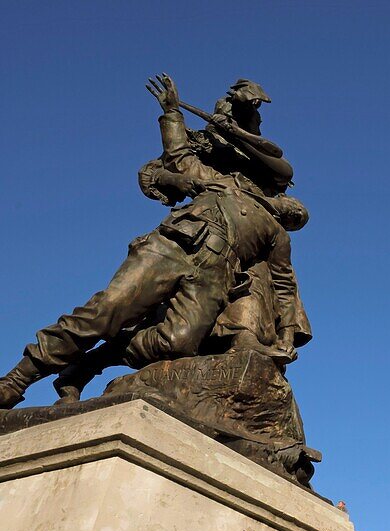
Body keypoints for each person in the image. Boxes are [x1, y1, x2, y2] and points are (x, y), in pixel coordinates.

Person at [0, 78, 309, 409]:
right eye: (295, 208)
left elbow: (282, 282)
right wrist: (172, 114)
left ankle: (89, 362)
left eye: (295, 214)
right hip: (175, 246)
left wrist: (287, 335)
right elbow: (178, 157)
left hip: (215, 273)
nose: (293, 209)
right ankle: (17, 380)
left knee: (179, 342)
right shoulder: (220, 183)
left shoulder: (275, 234)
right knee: (106, 310)